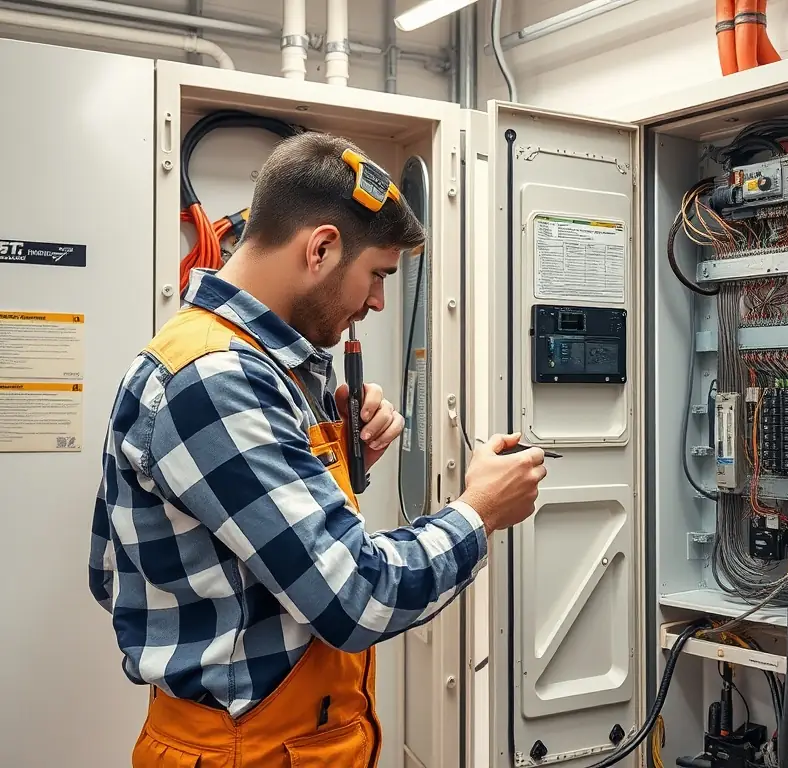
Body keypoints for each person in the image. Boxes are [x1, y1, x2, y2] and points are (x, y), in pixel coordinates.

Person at [88, 131, 546, 768]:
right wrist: (479, 511)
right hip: (244, 751)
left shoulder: (261, 368)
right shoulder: (218, 381)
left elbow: (111, 571)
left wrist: (333, 462)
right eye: (378, 275)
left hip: (298, 739)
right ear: (323, 248)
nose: (380, 301)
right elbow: (356, 596)